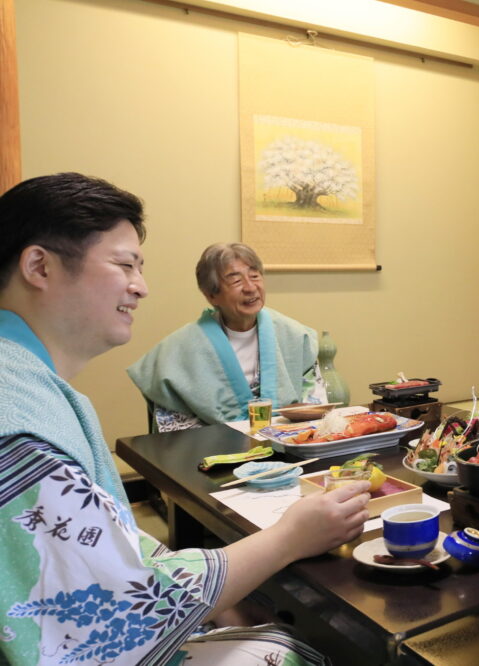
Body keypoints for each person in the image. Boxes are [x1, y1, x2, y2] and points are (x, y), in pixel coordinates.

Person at [0, 173, 370, 664]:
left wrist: (218, 598)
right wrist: (288, 539)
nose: (141, 287)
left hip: (287, 450)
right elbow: (112, 620)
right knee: (309, 646)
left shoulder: (28, 382)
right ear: (39, 266)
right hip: (216, 466)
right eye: (124, 265)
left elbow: (108, 545)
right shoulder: (20, 429)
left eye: (255, 274)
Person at [128, 242, 325, 432]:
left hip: (289, 441)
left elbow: (314, 405)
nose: (250, 287)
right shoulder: (179, 350)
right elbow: (175, 428)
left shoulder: (294, 335)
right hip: (213, 448)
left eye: (254, 276)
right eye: (236, 281)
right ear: (211, 295)